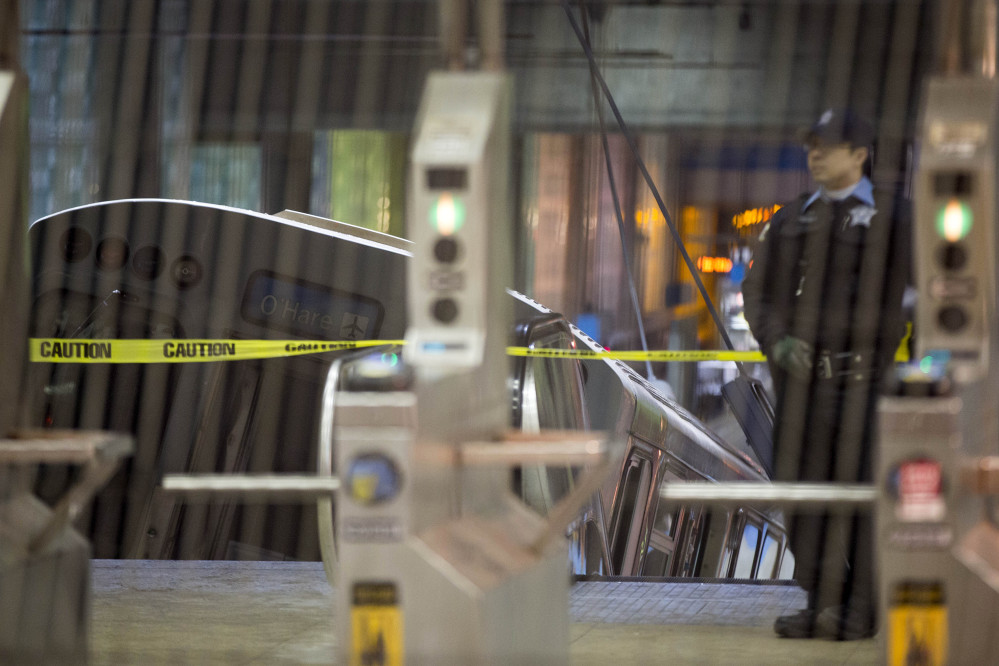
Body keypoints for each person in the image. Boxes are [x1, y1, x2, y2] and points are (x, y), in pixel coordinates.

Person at [742, 108, 911, 640]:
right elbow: (757, 295)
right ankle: (819, 600)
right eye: (811, 145)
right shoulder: (791, 220)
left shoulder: (895, 217)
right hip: (803, 388)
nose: (815, 154)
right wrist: (777, 341)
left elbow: (916, 298)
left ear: (860, 155)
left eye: (828, 146)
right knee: (803, 495)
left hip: (865, 385)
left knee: (863, 494)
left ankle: (862, 606)